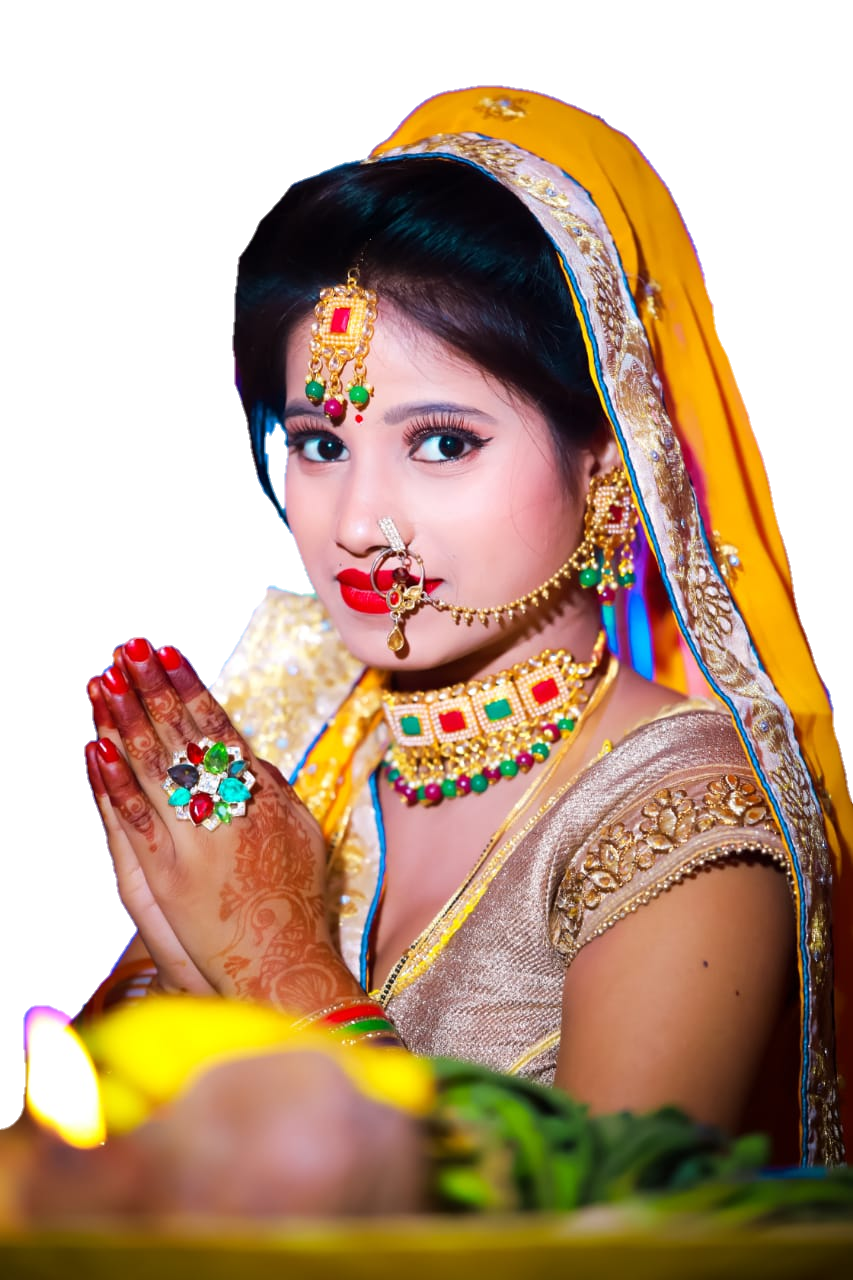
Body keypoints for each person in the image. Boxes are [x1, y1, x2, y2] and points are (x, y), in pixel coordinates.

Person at [64, 86, 848, 1194]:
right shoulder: (300, 724)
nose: (359, 522)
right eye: (320, 442)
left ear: (606, 457)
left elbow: (597, 1259)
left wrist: (275, 962)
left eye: (440, 442)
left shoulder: (688, 820)